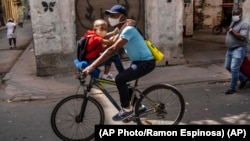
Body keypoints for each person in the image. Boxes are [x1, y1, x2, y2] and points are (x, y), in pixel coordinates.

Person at [82, 4, 155, 121]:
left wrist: (92, 66)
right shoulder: (121, 30)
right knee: (124, 82)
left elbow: (112, 49)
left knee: (120, 79)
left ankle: (127, 109)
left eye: (114, 15)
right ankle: (139, 106)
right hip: (138, 61)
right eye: (110, 15)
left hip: (146, 62)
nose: (110, 18)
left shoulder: (128, 30)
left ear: (122, 17)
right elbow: (109, 44)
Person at [224, 8, 249, 95]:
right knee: (227, 66)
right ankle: (243, 78)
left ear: (241, 15)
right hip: (230, 49)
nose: (235, 16)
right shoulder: (233, 22)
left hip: (239, 49)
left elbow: (242, 37)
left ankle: (232, 88)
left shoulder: (244, 24)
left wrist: (231, 31)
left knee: (234, 68)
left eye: (237, 14)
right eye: (233, 14)